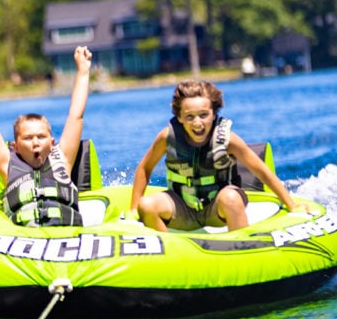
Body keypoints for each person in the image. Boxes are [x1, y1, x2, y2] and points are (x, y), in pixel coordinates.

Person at [129, 80, 306, 232]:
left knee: (231, 198)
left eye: (203, 115)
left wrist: (292, 205)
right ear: (179, 118)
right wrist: (133, 210)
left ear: (214, 114)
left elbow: (262, 171)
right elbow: (145, 167)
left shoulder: (228, 140)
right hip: (182, 207)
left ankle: (243, 247)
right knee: (147, 205)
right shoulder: (167, 137)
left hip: (217, 208)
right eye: (189, 117)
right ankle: (167, 255)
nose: (197, 123)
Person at [0, 46, 92, 227]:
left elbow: (76, 115)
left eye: (41, 136)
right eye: (28, 138)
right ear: (15, 146)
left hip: (66, 235)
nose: (36, 143)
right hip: (25, 241)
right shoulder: (7, 164)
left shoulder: (62, 159)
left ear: (52, 142)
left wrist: (83, 70)